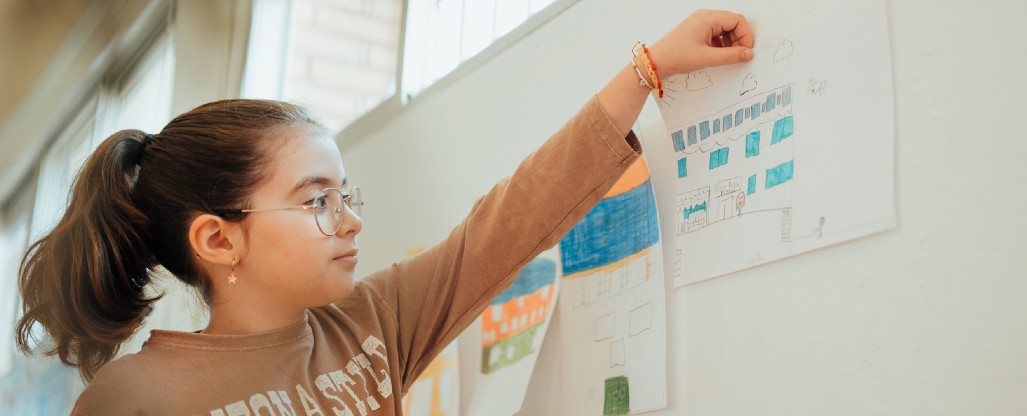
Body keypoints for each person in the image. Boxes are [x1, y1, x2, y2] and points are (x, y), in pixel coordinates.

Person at [14, 9, 755, 414]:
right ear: (217, 238)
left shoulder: (372, 325)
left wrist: (644, 73)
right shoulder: (136, 400)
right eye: (316, 201)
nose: (349, 219)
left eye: (346, 195)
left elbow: (510, 219)